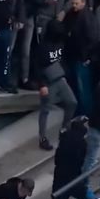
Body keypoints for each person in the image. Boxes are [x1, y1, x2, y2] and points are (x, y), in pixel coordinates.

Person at [36, 20, 78, 151]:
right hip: (48, 82)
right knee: (45, 110)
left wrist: (64, 72)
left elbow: (63, 59)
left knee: (72, 102)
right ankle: (42, 138)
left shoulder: (60, 42)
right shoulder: (43, 47)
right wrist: (41, 84)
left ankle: (65, 129)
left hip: (60, 78)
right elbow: (37, 67)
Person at [51, 118, 89, 199]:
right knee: (86, 197)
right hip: (74, 176)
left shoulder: (63, 140)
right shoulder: (82, 144)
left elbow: (57, 158)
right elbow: (81, 160)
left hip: (60, 174)